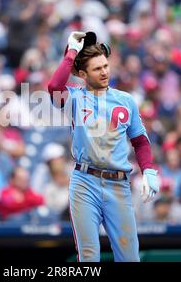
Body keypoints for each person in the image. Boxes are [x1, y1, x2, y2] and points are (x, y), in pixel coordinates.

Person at [47, 31, 160, 262]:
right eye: (97, 68)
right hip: (84, 182)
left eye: (106, 66)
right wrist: (71, 52)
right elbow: (53, 86)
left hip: (118, 184)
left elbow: (139, 141)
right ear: (82, 74)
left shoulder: (125, 100)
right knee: (89, 257)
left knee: (129, 257)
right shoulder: (75, 97)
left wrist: (148, 169)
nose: (105, 72)